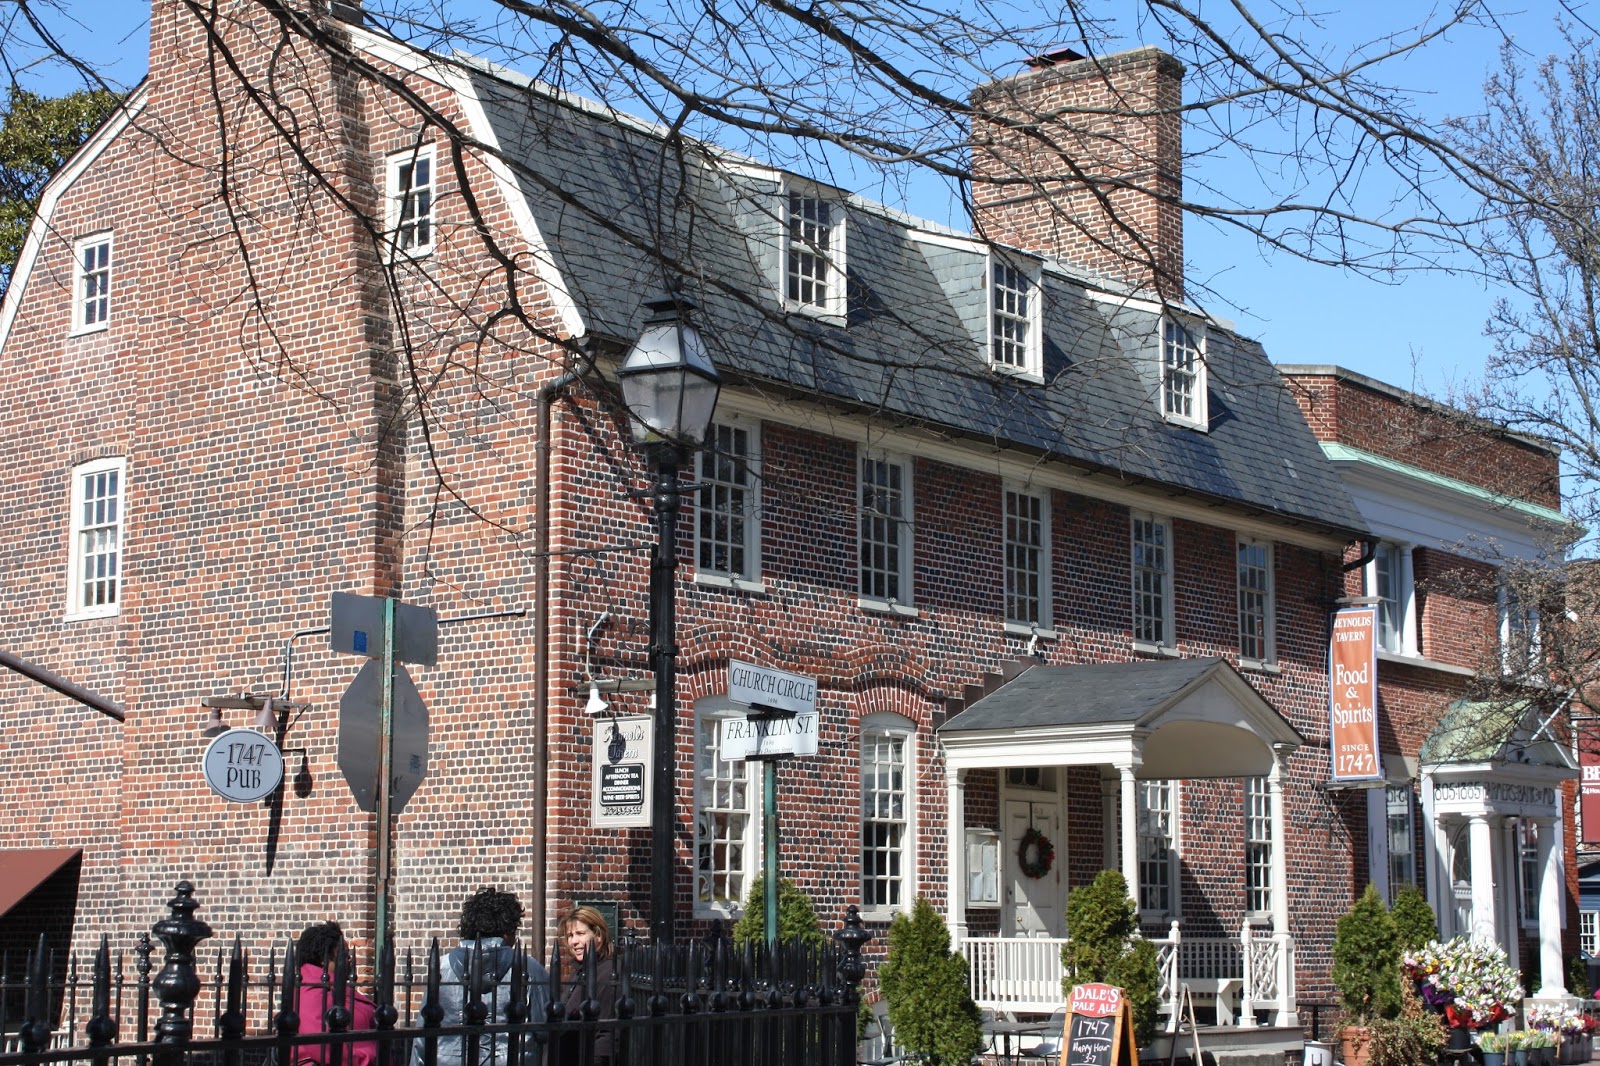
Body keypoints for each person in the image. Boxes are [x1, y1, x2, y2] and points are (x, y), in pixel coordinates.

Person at [417, 887, 550, 1066]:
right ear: (507, 930)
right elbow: (545, 1029)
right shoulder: (528, 967)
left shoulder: (441, 967)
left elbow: (422, 1036)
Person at [295, 921, 378, 1066]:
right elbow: (319, 1043)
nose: (349, 960)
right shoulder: (311, 989)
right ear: (324, 959)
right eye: (344, 955)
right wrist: (368, 1058)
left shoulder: (332, 986)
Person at [555, 906, 617, 1065]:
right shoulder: (578, 971)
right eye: (570, 935)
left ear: (598, 936)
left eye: (580, 934)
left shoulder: (608, 972)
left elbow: (606, 1033)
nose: (574, 941)